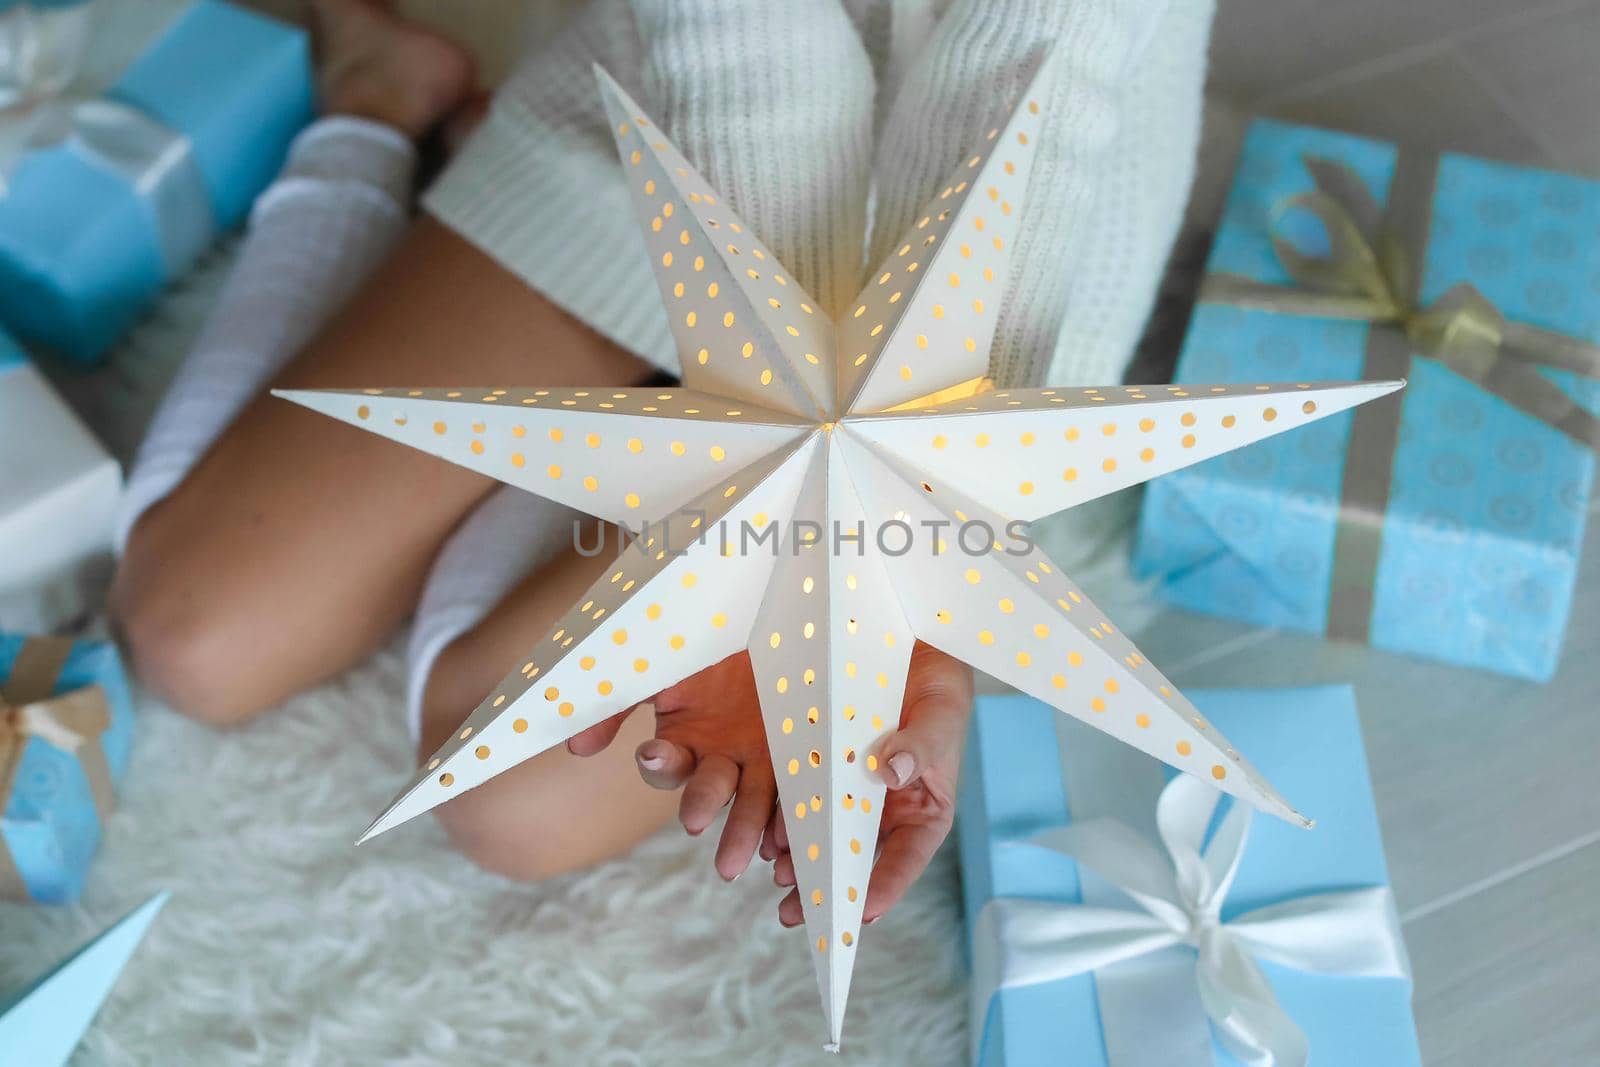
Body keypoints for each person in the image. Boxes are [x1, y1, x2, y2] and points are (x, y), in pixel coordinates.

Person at [110, 0, 1215, 927]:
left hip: (1015, 248)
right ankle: (377, 97)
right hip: (675, 125)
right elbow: (735, 47)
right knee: (195, 639)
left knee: (510, 798)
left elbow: (1035, 72)